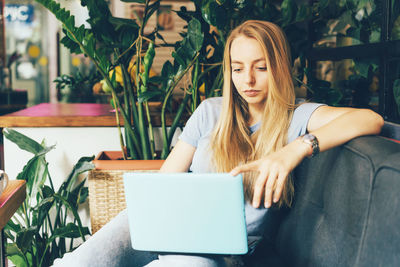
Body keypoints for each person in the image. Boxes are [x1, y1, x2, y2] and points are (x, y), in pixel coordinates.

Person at [53, 20, 383, 267]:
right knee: (81, 261)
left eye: (261, 67)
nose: (248, 80)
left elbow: (370, 119)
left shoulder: (297, 117)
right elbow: (167, 182)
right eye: (238, 69)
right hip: (169, 228)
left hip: (221, 253)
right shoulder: (210, 111)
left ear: (280, 67)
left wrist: (294, 150)